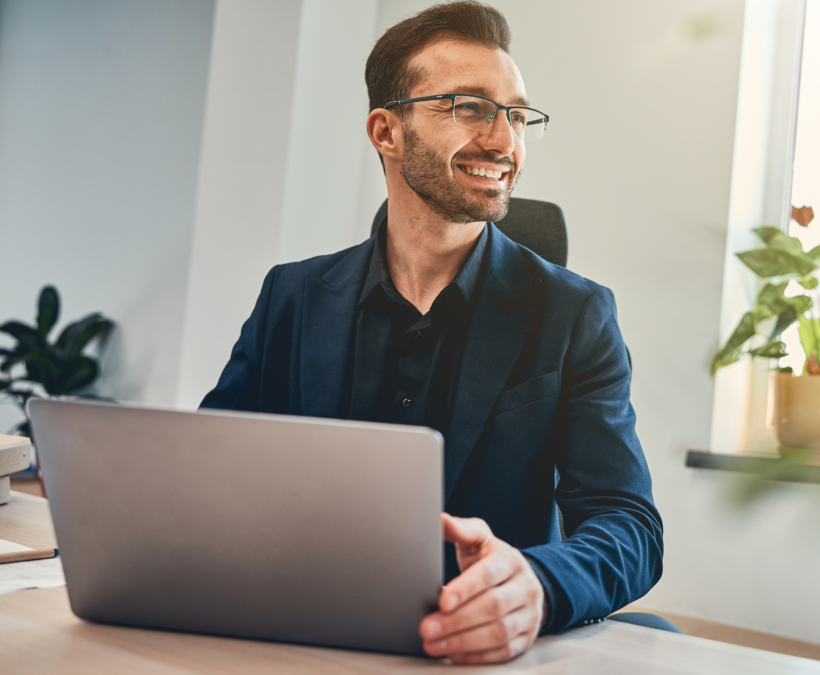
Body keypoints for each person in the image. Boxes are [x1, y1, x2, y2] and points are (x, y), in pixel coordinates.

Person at [200, 0, 662, 664]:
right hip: (307, 635)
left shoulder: (575, 313)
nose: (505, 142)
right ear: (387, 131)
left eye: (516, 114)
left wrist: (537, 583)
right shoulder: (291, 297)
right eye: (470, 107)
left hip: (475, 650)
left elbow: (630, 526)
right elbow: (213, 472)